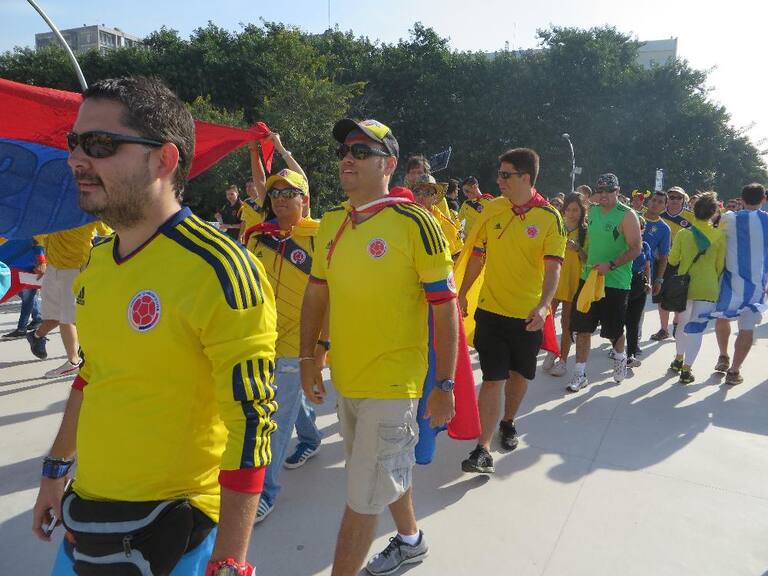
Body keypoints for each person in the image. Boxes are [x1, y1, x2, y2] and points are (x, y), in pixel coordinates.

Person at [32, 76, 277, 576]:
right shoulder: (98, 262)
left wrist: (231, 561)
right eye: (74, 142)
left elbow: (251, 420)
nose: (76, 159)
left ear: (164, 159)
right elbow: (92, 375)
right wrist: (55, 471)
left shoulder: (220, 268)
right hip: (85, 519)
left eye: (99, 144)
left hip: (175, 535)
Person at [300, 118, 458, 576]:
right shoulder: (332, 222)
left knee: (363, 496)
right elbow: (317, 293)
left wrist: (444, 383)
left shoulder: (416, 223)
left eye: (361, 151)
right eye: (343, 151)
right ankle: (411, 540)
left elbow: (445, 308)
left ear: (388, 164)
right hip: (348, 379)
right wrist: (310, 357)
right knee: (381, 472)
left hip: (393, 384)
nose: (347, 159)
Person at [458, 148, 565, 472]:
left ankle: (508, 421)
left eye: (506, 175)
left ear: (525, 177)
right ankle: (482, 449)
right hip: (490, 311)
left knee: (519, 376)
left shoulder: (550, 218)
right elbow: (477, 256)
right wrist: (462, 293)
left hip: (527, 317)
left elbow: (553, 269)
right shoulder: (493, 210)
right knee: (492, 378)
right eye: (499, 174)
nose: (499, 180)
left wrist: (544, 306)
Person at [244, 167, 324, 524]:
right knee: (290, 401)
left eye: (289, 193)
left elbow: (330, 293)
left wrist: (322, 346)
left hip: (299, 340)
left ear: (304, 199)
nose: (280, 199)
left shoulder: (320, 237)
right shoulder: (257, 236)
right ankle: (311, 437)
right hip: (263, 335)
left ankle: (265, 492)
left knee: (275, 416)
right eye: (275, 193)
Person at [567, 173, 642, 392]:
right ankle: (580, 374)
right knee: (582, 328)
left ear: (617, 191)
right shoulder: (592, 212)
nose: (604, 195)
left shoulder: (627, 215)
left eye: (609, 191)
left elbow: (636, 248)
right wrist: (580, 252)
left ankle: (620, 359)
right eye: (600, 191)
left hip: (615, 281)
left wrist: (611, 264)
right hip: (589, 278)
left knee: (614, 330)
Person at [26, 220, 111, 378]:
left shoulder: (88, 212)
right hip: (52, 269)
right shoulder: (52, 211)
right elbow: (37, 235)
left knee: (68, 319)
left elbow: (108, 233)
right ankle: (36, 336)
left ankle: (73, 362)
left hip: (76, 270)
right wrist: (41, 260)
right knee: (53, 318)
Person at [667, 192, 725, 384]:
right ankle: (687, 370)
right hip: (708, 288)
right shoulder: (719, 236)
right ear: (714, 212)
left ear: (694, 210)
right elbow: (720, 266)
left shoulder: (684, 234)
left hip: (684, 287)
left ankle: (678, 359)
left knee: (682, 324)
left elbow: (672, 260)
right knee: (697, 329)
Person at [712, 183, 768, 384]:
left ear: (741, 200)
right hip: (756, 283)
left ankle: (723, 355)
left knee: (722, 317)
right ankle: (734, 371)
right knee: (746, 327)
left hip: (729, 280)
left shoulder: (728, 218)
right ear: (763, 199)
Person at [543, 192, 587, 377]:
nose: (571, 213)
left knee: (566, 322)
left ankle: (563, 360)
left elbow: (587, 259)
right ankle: (552, 350)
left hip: (572, 282)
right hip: (553, 280)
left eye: (575, 210)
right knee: (546, 318)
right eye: (568, 209)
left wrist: (578, 248)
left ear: (582, 211)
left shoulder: (585, 231)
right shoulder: (557, 226)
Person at [653, 186, 696, 341]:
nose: (675, 200)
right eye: (672, 197)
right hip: (661, 262)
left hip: (682, 263)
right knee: (660, 296)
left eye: (679, 197)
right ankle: (663, 329)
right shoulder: (659, 216)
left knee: (678, 296)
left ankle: (677, 324)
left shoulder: (691, 217)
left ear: (683, 200)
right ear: (667, 199)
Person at [0, 237, 45, 338]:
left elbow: (38, 238)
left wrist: (42, 261)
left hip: (21, 266)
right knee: (27, 295)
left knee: (27, 295)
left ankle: (23, 328)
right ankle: (36, 319)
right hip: (15, 265)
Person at [643, 191, 672, 342]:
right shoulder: (634, 217)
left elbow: (663, 257)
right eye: (654, 200)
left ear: (665, 206)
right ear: (648, 201)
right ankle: (617, 345)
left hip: (644, 273)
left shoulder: (664, 228)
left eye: (660, 202)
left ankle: (633, 345)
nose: (656, 203)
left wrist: (659, 279)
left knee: (637, 311)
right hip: (622, 268)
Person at [412, 174, 464, 258]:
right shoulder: (403, 218)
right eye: (417, 191)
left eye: (427, 192)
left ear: (435, 198)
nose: (421, 196)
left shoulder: (446, 225)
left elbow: (457, 254)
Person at [624, 217, 652, 367]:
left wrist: (649, 282)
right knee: (619, 320)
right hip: (622, 283)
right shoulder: (621, 244)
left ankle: (631, 354)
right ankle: (617, 349)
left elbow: (647, 266)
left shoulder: (645, 246)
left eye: (639, 227)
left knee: (634, 322)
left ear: (642, 229)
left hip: (639, 284)